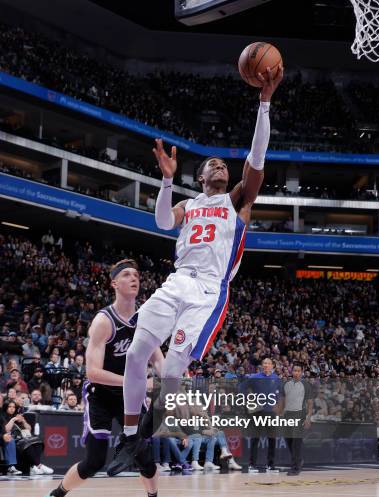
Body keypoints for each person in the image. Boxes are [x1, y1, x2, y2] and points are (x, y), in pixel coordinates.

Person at [109, 66, 284, 475]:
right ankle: (131, 437)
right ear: (200, 177)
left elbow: (256, 159)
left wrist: (264, 103)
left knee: (171, 372)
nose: (221, 166)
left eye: (224, 164)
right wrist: (167, 182)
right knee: (136, 354)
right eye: (213, 165)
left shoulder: (238, 200)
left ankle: (142, 439)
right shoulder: (188, 203)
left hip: (208, 291)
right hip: (177, 281)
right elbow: (162, 224)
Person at [39, 259, 166, 497]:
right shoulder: (103, 321)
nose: (134, 278)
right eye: (126, 274)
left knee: (144, 458)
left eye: (136, 274)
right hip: (101, 395)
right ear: (114, 283)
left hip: (128, 396)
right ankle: (56, 496)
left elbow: (157, 358)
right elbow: (93, 372)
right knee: (94, 462)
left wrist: (171, 378)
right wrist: (137, 383)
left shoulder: (146, 319)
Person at [246, 357, 283, 472]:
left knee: (272, 438)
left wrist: (278, 407)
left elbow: (279, 395)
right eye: (264, 363)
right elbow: (244, 389)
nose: (266, 365)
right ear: (262, 366)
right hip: (257, 412)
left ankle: (270, 465)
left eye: (268, 363)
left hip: (271, 413)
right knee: (255, 438)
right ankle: (252, 465)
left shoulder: (276, 379)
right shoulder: (254, 377)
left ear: (272, 366)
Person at [283, 363, 314, 476]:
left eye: (298, 371)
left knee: (296, 441)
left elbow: (310, 403)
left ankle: (295, 468)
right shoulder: (286, 384)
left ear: (302, 372)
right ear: (292, 372)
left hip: (300, 415)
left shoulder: (306, 385)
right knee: (289, 440)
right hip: (287, 416)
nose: (296, 373)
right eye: (294, 370)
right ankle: (298, 460)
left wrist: (308, 417)